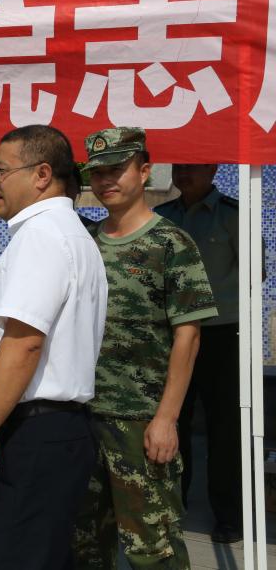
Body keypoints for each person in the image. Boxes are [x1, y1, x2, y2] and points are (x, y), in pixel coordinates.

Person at [0, 125, 107, 569]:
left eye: (0, 171)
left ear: (42, 174)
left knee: (8, 556)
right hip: (52, 430)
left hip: (30, 431)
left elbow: (24, 342)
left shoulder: (42, 236)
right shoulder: (69, 233)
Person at [73, 128, 218, 569]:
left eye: (117, 169)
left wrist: (167, 419)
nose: (106, 180)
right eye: (98, 172)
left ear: (144, 171)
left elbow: (188, 336)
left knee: (152, 550)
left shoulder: (171, 244)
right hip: (82, 417)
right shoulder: (84, 242)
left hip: (141, 421)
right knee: (84, 546)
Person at [155, 164, 242, 543]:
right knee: (172, 420)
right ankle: (174, 506)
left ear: (213, 168)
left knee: (226, 427)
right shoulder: (162, 217)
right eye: (179, 167)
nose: (184, 173)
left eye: (193, 167)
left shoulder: (233, 215)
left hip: (221, 334)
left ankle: (229, 516)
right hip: (173, 335)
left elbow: (254, 272)